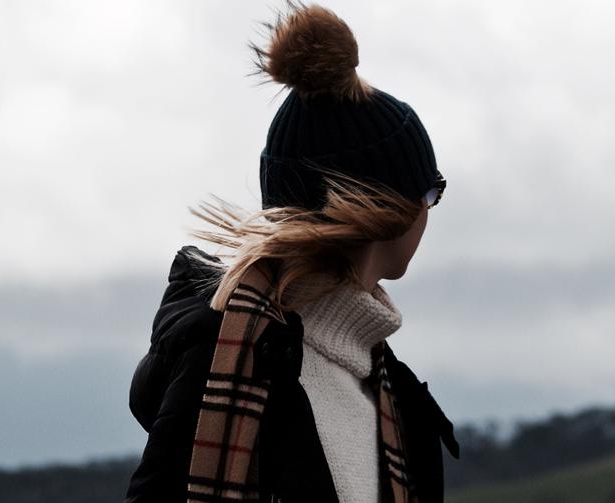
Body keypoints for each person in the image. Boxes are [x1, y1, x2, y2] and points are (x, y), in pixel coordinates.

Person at [124, 4, 457, 503]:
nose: (433, 208)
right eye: (433, 191)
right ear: (390, 211)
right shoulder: (222, 358)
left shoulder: (394, 396)